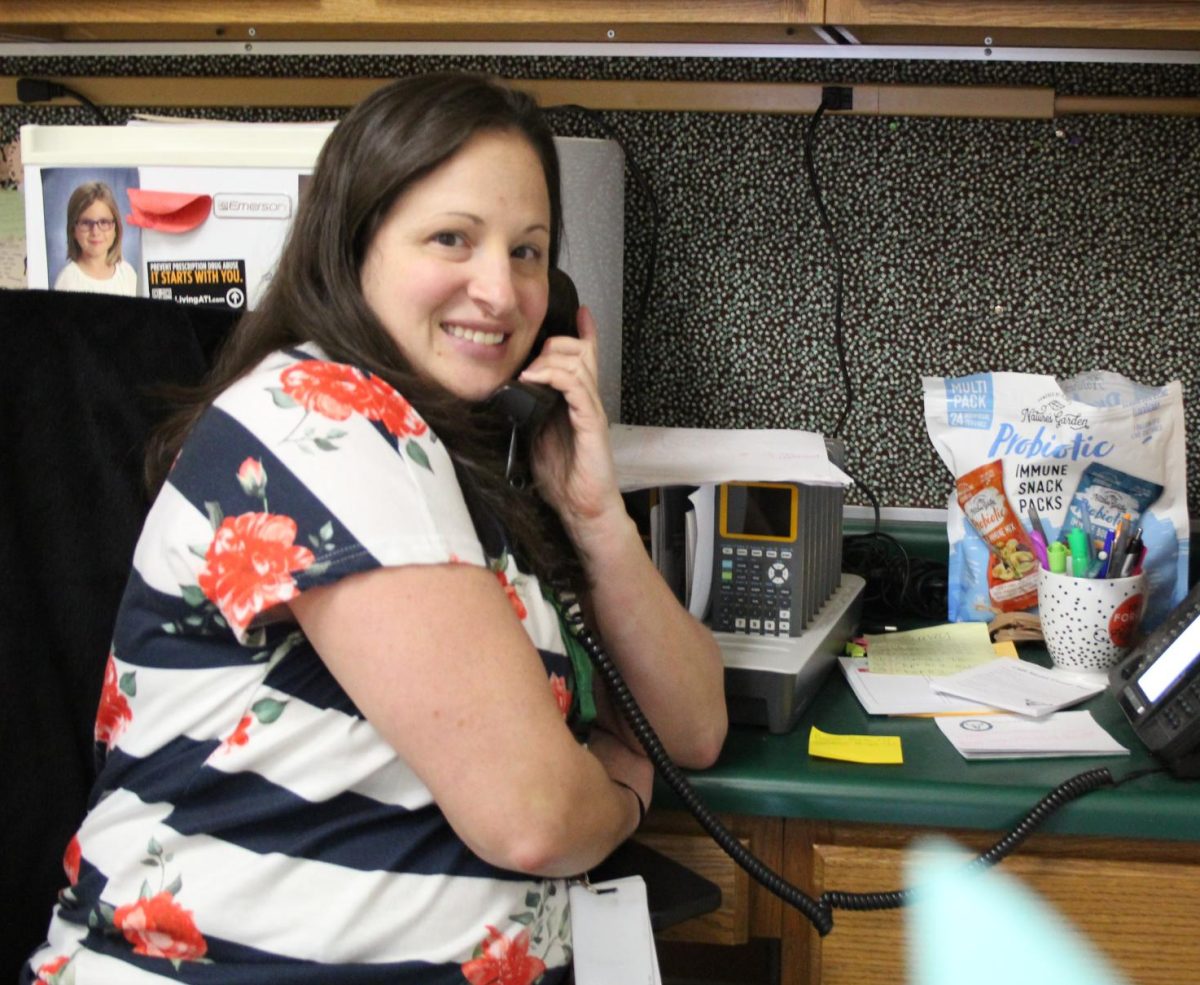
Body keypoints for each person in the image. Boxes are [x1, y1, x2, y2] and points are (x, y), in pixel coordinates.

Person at [23, 72, 726, 984]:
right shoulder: (326, 422)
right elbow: (536, 816)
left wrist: (591, 511)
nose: (502, 293)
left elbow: (695, 726)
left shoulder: (450, 457)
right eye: (451, 239)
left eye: (527, 252)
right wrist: (626, 789)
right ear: (353, 247)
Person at [53, 181, 138, 296]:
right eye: (86, 223)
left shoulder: (127, 274)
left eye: (104, 222)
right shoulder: (67, 281)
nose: (95, 232)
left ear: (115, 228)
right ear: (73, 230)